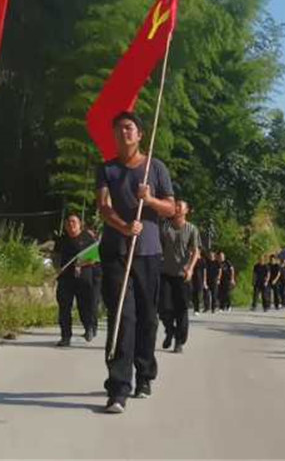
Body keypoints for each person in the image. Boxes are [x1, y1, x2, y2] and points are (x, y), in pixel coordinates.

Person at [96, 111, 175, 414]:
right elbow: (104, 207)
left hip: (149, 253)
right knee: (122, 318)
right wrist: (124, 227)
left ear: (140, 134)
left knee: (147, 317)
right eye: (118, 130)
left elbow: (170, 207)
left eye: (129, 129)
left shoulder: (155, 168)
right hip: (116, 251)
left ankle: (145, 373)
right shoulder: (107, 169)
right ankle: (118, 388)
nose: (124, 134)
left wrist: (150, 200)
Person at [159, 200, 201, 353]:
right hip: (165, 273)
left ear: (186, 210)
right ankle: (170, 330)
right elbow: (159, 245)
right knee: (163, 308)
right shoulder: (165, 227)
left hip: (182, 275)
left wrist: (190, 269)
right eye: (175, 205)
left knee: (181, 310)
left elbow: (196, 251)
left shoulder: (191, 229)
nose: (176, 208)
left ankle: (179, 340)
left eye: (179, 206)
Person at [53, 214, 98, 346]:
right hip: (65, 279)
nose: (71, 225)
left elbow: (94, 257)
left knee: (84, 306)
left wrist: (80, 264)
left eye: (74, 222)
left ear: (80, 224)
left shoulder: (87, 238)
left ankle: (89, 327)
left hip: (83, 278)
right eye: (68, 222)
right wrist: (56, 268)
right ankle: (65, 336)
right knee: (64, 307)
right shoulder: (61, 240)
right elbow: (56, 256)